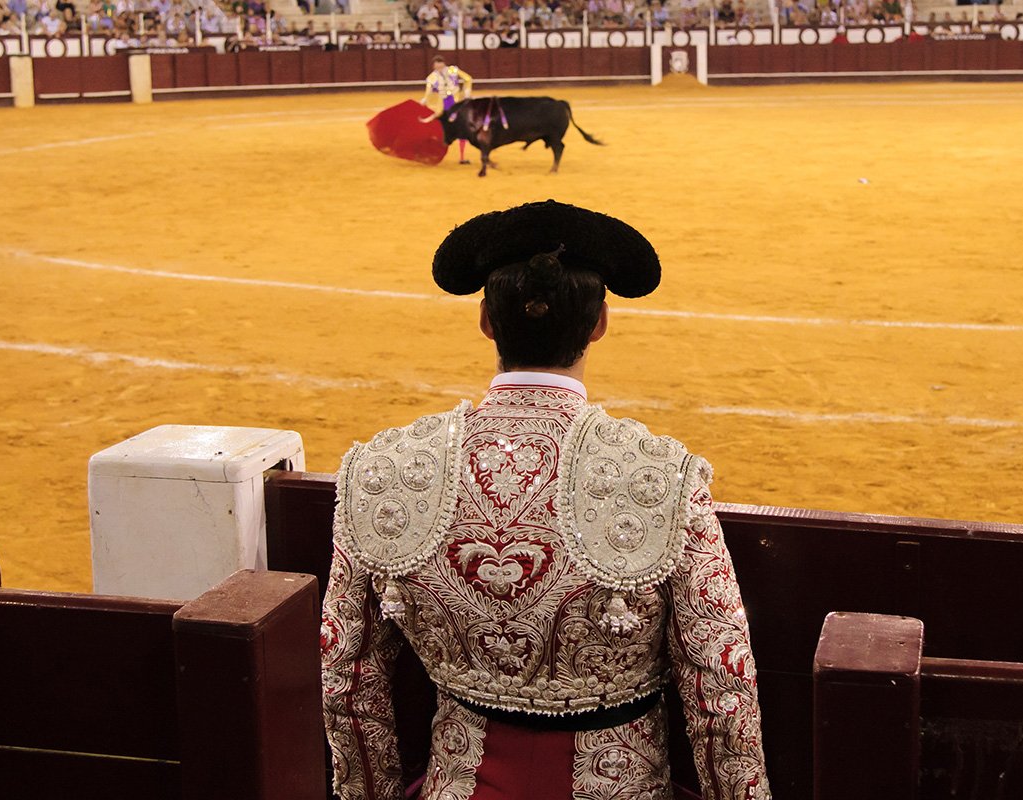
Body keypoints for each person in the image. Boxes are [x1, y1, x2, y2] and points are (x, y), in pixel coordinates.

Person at [321, 200, 773, 800]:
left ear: (486, 320)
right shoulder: (663, 476)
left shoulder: (384, 470)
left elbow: (347, 682)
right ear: (599, 323)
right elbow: (722, 694)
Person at [421, 54, 473, 165]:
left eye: (440, 64)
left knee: (462, 128)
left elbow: (468, 79)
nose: (439, 67)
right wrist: (425, 99)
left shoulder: (453, 70)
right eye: (437, 65)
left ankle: (462, 157)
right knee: (439, 130)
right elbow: (429, 91)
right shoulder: (431, 78)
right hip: (443, 105)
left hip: (455, 103)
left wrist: (467, 92)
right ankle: (433, 153)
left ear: (444, 63)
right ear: (433, 66)